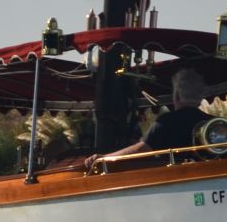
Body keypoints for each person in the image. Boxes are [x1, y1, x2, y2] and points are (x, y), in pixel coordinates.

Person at [83, 68, 213, 170]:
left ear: (177, 95)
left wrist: (104, 158)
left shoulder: (166, 122)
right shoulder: (214, 123)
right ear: (200, 97)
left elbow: (140, 150)